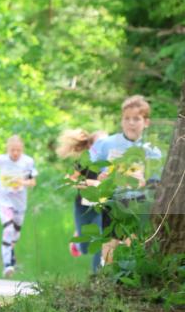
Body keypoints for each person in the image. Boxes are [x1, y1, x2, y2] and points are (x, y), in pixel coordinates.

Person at [89, 95, 163, 266]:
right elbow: (89, 169)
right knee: (110, 244)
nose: (131, 123)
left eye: (136, 119)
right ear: (121, 121)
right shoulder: (106, 144)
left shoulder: (152, 150)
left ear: (146, 122)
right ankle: (107, 273)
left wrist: (144, 182)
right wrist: (99, 177)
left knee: (134, 243)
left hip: (139, 203)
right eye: (127, 118)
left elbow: (156, 184)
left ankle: (131, 275)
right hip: (112, 201)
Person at [0, 135, 36, 278]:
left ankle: (10, 254)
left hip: (20, 202)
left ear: (22, 149)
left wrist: (22, 182)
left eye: (18, 150)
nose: (15, 153)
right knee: (8, 229)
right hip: (4, 200)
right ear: (8, 149)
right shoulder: (1, 160)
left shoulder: (28, 162)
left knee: (15, 235)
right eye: (12, 150)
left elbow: (32, 182)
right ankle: (7, 265)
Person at [57, 128, 106, 272]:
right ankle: (77, 243)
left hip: (101, 208)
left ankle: (97, 277)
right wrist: (86, 183)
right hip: (83, 207)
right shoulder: (84, 161)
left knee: (100, 239)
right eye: (100, 144)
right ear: (91, 146)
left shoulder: (112, 162)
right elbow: (69, 179)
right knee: (84, 248)